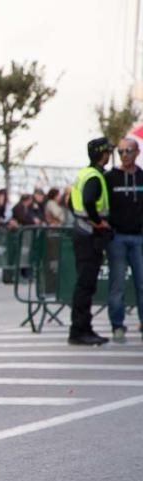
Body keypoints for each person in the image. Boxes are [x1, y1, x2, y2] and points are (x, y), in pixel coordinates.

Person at [68, 138, 113, 346]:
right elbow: (87, 201)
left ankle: (82, 328)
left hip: (81, 232)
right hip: (89, 236)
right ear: (103, 154)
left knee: (85, 284)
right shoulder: (95, 177)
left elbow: (71, 203)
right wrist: (97, 222)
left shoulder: (83, 174)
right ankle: (79, 330)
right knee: (86, 285)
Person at [104, 137, 143, 343]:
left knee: (141, 283)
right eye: (120, 152)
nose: (124, 155)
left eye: (128, 150)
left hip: (139, 236)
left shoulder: (142, 176)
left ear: (137, 152)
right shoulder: (111, 177)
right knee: (117, 284)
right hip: (117, 236)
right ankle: (117, 325)